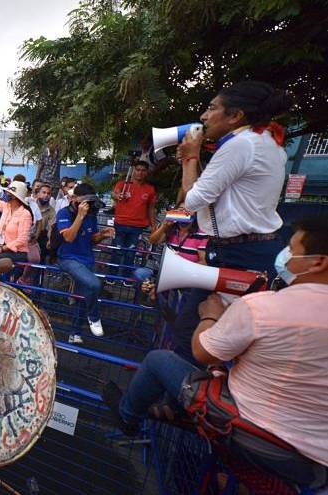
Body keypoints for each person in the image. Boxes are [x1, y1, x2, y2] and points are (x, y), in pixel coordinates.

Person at [104, 215, 328, 489]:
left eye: (292, 250)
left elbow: (202, 352)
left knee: (158, 360)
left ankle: (128, 416)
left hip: (248, 434)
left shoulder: (262, 307)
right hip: (312, 464)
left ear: (318, 261)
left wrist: (211, 316)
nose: (285, 257)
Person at [173, 81, 292, 361]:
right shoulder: (264, 143)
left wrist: (191, 156)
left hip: (239, 253)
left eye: (212, 108)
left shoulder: (241, 145)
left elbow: (191, 201)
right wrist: (191, 161)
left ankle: (186, 398)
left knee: (192, 335)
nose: (203, 116)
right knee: (210, 334)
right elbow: (211, 194)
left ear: (235, 115)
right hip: (246, 249)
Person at [54, 183, 115, 342]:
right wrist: (80, 216)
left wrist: (103, 234)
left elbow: (92, 239)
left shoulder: (91, 216)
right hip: (68, 259)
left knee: (84, 295)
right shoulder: (64, 213)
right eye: (85, 201)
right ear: (74, 199)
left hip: (86, 259)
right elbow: (68, 237)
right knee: (94, 284)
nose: (87, 205)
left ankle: (75, 333)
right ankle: (94, 317)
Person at [110, 161, 156, 279]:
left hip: (138, 227)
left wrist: (153, 225)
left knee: (131, 253)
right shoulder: (122, 184)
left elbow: (151, 208)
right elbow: (114, 194)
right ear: (133, 170)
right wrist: (118, 196)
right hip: (120, 223)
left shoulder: (150, 189)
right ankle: (111, 276)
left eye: (143, 170)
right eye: (138, 169)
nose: (140, 172)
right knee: (117, 250)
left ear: (147, 172)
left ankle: (127, 277)